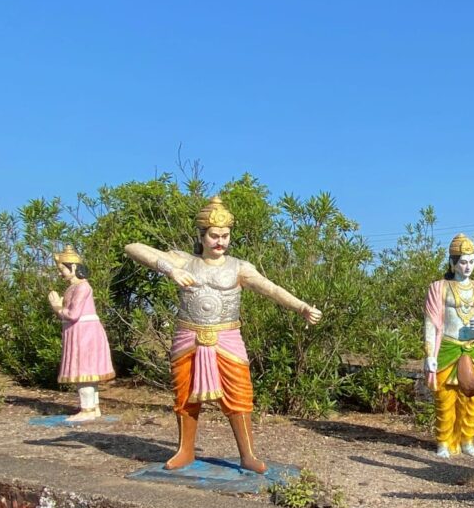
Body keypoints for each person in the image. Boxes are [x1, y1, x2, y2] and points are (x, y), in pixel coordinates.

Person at [124, 196, 322, 473]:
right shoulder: (184, 260)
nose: (220, 241)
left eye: (225, 236)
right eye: (214, 235)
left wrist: (301, 307)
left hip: (227, 338)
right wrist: (170, 270)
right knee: (184, 394)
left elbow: (271, 289)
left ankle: (248, 454)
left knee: (239, 393)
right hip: (188, 336)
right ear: (202, 236)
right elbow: (132, 247)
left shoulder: (239, 267)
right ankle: (185, 451)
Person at [423, 233, 474, 458]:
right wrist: (429, 353)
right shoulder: (439, 288)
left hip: (472, 349)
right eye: (463, 262)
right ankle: (444, 442)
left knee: (472, 399)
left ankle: (468, 442)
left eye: (471, 261)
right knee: (445, 399)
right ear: (452, 262)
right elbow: (431, 322)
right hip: (447, 348)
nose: (468, 267)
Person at [48, 246, 116, 422]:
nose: (60, 273)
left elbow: (73, 314)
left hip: (84, 333)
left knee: (84, 370)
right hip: (78, 331)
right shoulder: (73, 288)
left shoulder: (82, 287)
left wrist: (57, 307)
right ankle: (92, 407)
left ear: (73, 268)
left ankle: (88, 410)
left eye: (62, 269)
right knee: (86, 372)